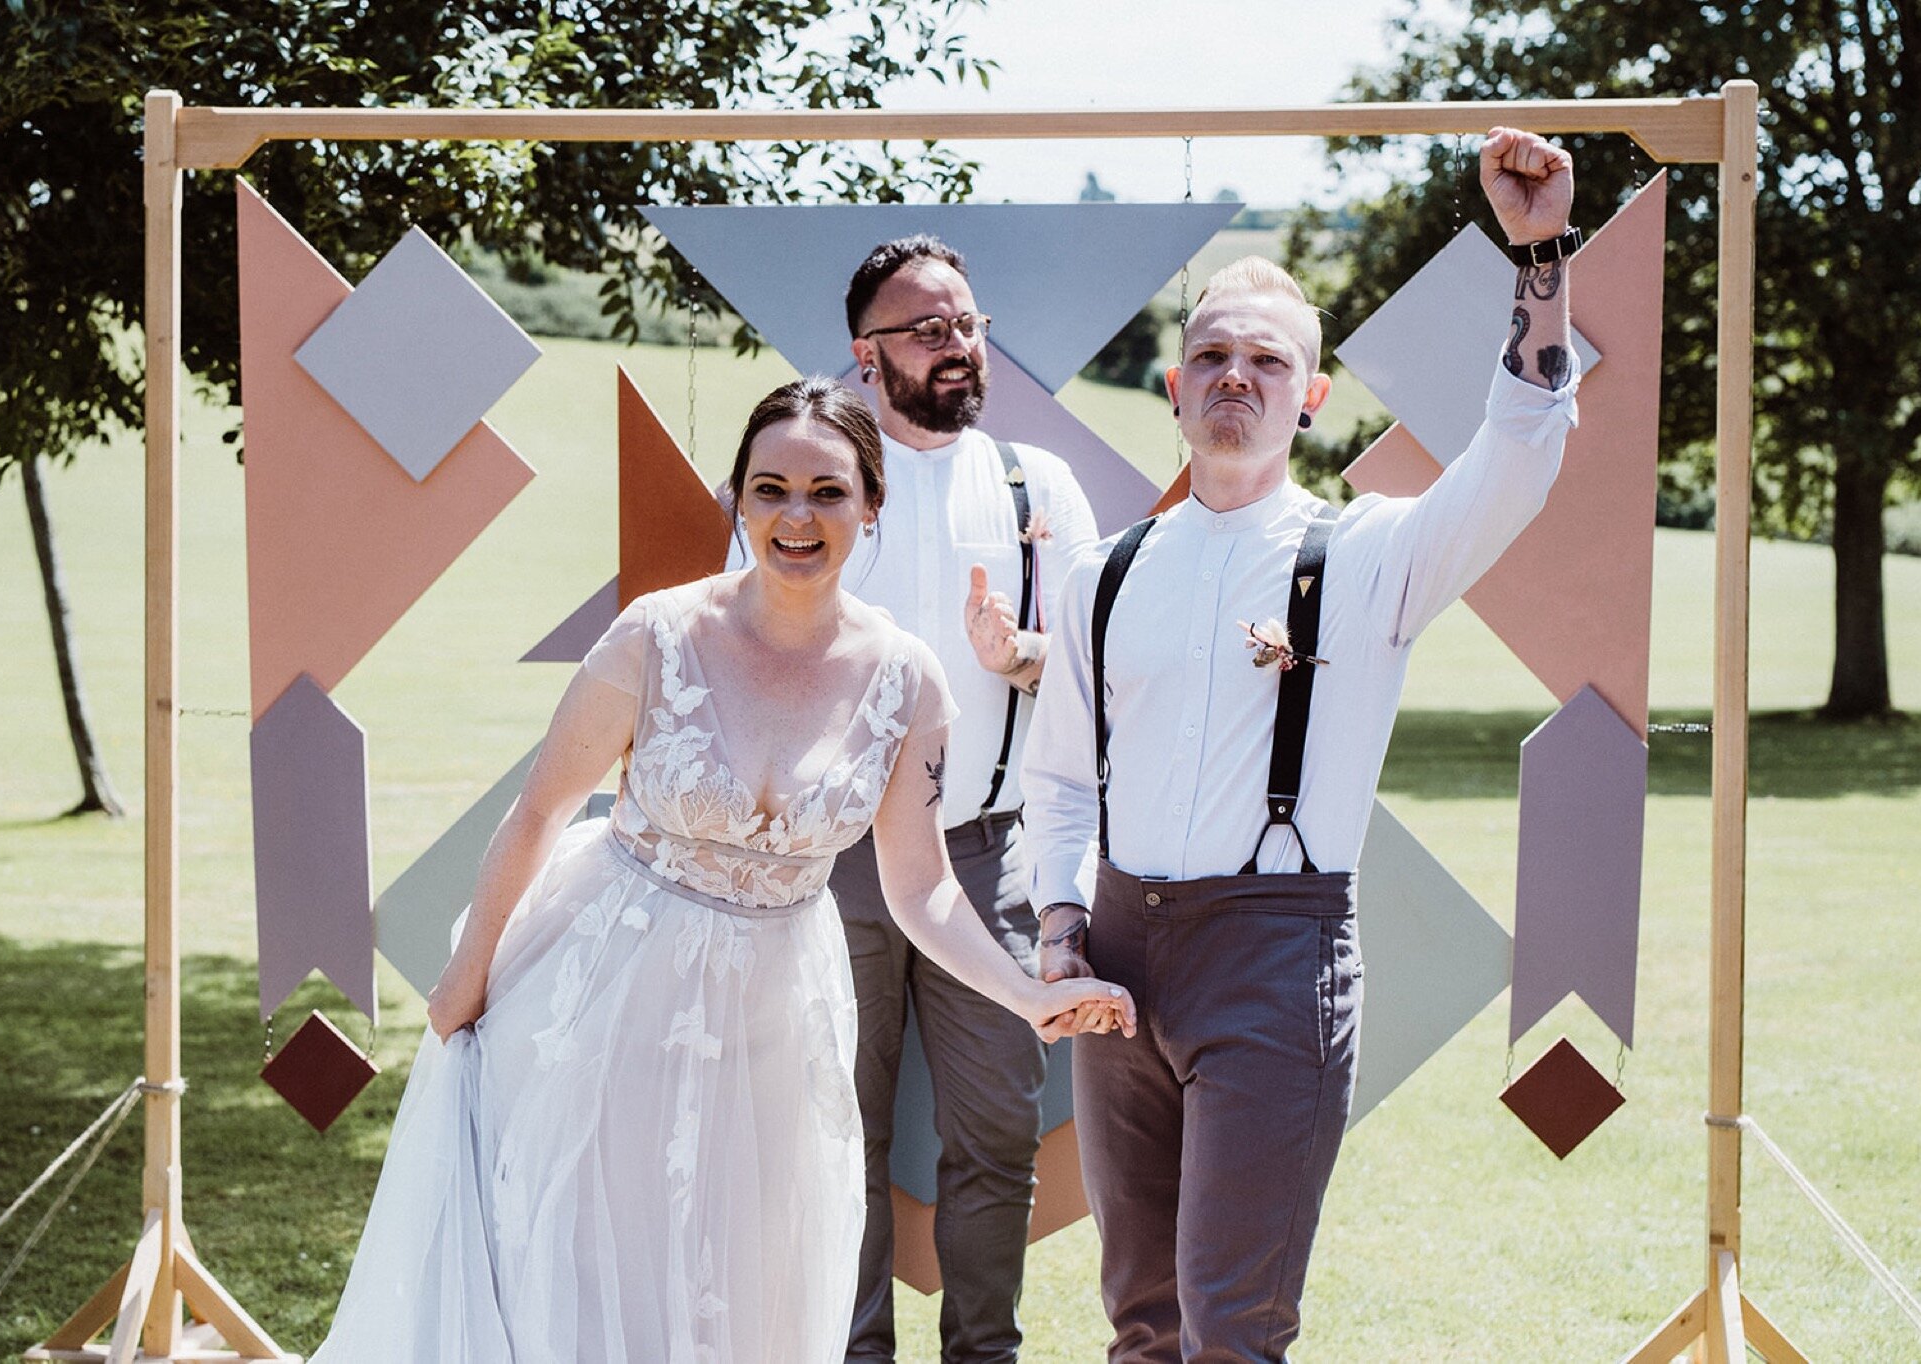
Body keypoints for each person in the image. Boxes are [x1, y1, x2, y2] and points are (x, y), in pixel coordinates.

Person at [312, 377, 1132, 1364]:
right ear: (736, 499)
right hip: (609, 991)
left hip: (776, 1018)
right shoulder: (652, 637)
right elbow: (539, 811)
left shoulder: (907, 677)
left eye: (827, 491)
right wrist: (464, 978)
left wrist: (1024, 993)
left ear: (872, 504)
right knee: (592, 1269)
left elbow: (918, 885)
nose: (797, 515)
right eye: (770, 487)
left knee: (737, 1288)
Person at [1020, 127, 1582, 1363]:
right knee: (1138, 1319)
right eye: (1208, 356)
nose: (1234, 377)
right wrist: (1059, 931)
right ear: (1171, 384)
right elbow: (1058, 781)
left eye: (1264, 361)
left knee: (1233, 1323)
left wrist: (1536, 257)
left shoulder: (1369, 554)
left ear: (1308, 395)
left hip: (1272, 959)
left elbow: (1520, 453)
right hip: (1112, 952)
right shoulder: (1099, 575)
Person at [836, 234, 1099, 1363]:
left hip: (987, 856)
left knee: (996, 1122)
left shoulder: (1038, 483)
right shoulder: (823, 479)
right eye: (926, 329)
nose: (955, 346)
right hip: (832, 860)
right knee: (833, 1125)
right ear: (867, 354)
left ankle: (981, 1352)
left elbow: (1101, 671)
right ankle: (849, 1350)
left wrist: (1026, 653)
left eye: (967, 324)